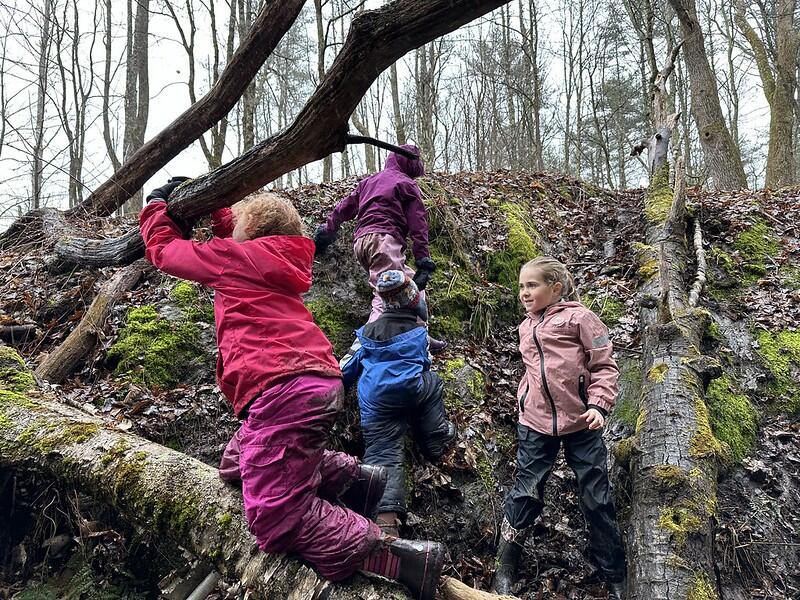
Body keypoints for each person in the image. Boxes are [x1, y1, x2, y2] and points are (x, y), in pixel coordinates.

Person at [139, 178, 445, 600]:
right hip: (312, 380)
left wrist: (155, 207)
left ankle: (393, 555)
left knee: (274, 518)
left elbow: (164, 252)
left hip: (281, 390)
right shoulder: (276, 261)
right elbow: (235, 234)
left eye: (237, 224)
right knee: (239, 462)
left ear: (252, 235)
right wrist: (217, 204)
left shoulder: (235, 260)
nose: (230, 231)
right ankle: (357, 480)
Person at [491, 256, 626, 599]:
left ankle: (614, 569)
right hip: (535, 423)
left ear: (555, 288)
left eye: (532, 285)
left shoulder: (580, 318)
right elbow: (532, 371)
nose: (524, 292)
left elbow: (605, 365)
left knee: (595, 493)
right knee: (526, 490)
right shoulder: (526, 325)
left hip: (582, 421)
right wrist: (524, 398)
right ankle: (504, 566)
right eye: (521, 286)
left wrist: (598, 404)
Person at [340, 270, 456, 536]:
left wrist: (338, 384)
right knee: (433, 384)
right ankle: (436, 439)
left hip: (376, 402)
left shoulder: (367, 333)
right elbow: (425, 363)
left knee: (383, 452)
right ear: (414, 302)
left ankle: (386, 522)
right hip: (410, 390)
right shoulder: (418, 333)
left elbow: (346, 366)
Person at [313, 144, 445, 352]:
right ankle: (362, 346)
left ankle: (420, 335)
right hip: (384, 241)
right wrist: (423, 260)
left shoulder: (370, 181)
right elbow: (418, 224)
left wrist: (328, 230)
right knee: (386, 294)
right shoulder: (406, 184)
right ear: (410, 162)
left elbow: (344, 207)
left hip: (361, 243)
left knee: (411, 287)